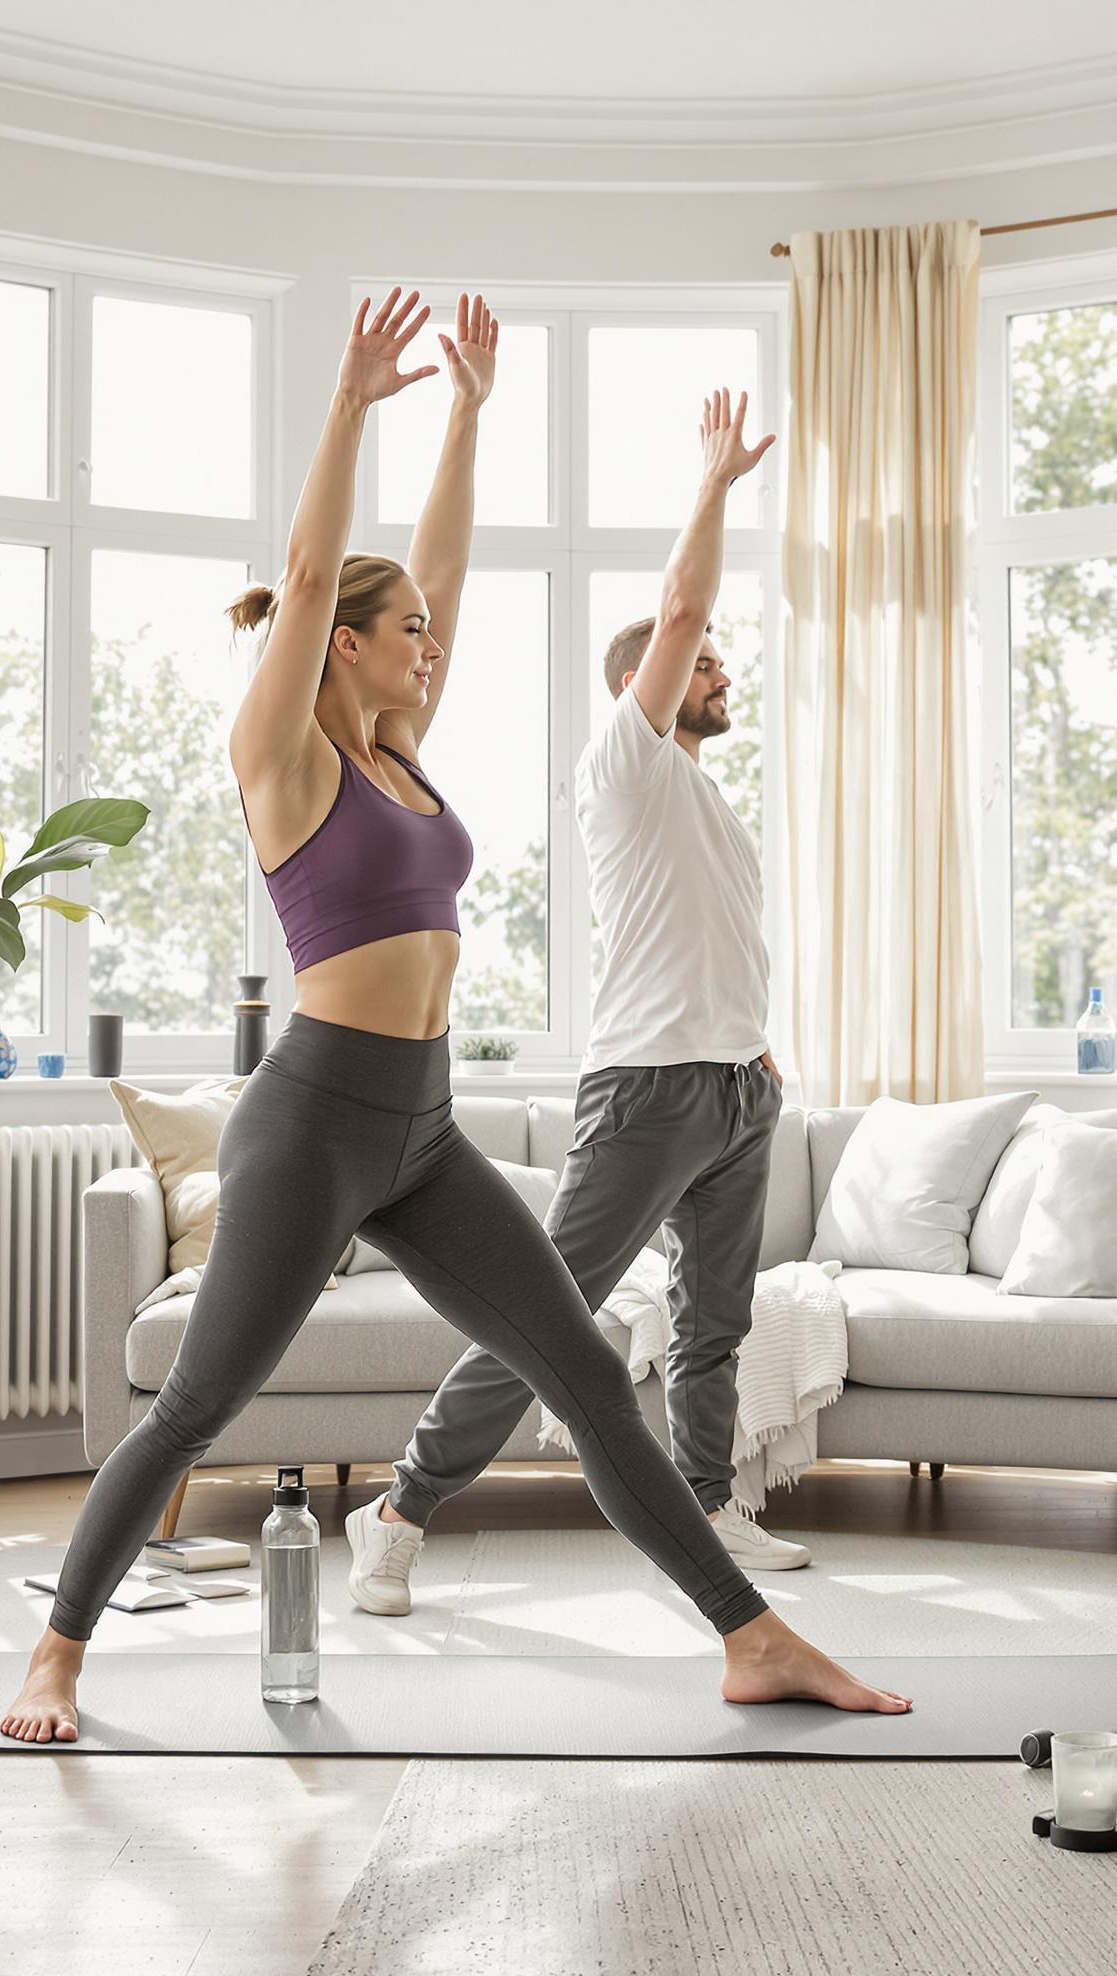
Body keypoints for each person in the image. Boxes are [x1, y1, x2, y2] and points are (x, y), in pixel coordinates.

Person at [0, 290, 908, 1741]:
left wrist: (471, 416)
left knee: (591, 1377)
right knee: (195, 1408)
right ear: (341, 645)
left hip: (420, 1127)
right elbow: (311, 577)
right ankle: (56, 1651)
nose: (430, 643)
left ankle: (748, 1639)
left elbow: (443, 569)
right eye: (403, 632)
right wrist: (357, 403)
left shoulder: (402, 750)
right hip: (310, 1130)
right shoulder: (284, 763)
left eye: (429, 632)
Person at [349, 388, 812, 1621]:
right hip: (647, 1088)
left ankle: (711, 1501)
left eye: (716, 661)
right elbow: (679, 606)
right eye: (699, 664)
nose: (718, 669)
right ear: (641, 687)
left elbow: (715, 937)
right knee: (543, 1322)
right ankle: (396, 1513)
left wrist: (756, 1055)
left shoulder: (709, 803)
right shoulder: (623, 761)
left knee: (719, 1319)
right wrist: (713, 482)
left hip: (731, 1086)